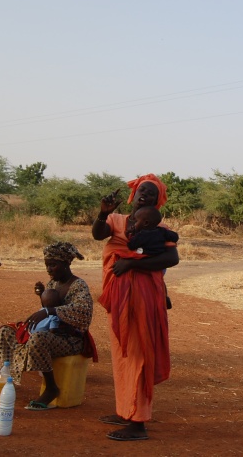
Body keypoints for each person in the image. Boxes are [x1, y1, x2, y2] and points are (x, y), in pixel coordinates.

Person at [92, 174, 179, 441]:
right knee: (122, 352)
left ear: (157, 202)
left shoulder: (157, 228)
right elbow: (98, 235)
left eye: (151, 193)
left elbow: (171, 257)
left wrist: (132, 263)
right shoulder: (116, 221)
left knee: (138, 353)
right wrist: (102, 213)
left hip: (142, 296)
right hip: (118, 296)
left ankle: (138, 422)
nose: (145, 195)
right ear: (134, 194)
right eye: (142, 190)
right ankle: (126, 409)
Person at [0, 241, 94, 411]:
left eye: (53, 265)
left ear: (66, 263)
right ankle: (5, 378)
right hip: (51, 334)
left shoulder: (78, 285)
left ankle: (51, 388)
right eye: (47, 265)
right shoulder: (53, 284)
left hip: (71, 340)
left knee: (39, 339)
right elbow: (49, 308)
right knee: (6, 331)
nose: (49, 269)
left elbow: (83, 312)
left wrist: (49, 311)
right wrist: (42, 298)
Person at [126, 205, 178, 310]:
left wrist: (130, 234)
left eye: (136, 221)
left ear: (145, 223)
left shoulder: (142, 235)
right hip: (159, 261)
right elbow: (174, 236)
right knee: (160, 280)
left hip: (148, 259)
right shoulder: (162, 231)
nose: (134, 224)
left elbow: (131, 245)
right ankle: (165, 296)